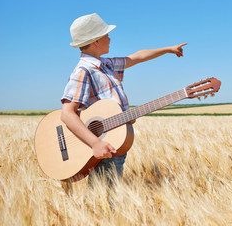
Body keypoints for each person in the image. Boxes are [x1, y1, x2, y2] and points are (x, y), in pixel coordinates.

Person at [60, 13, 187, 185]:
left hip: (116, 141)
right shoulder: (83, 71)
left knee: (109, 195)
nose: (110, 39)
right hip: (102, 145)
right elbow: (67, 114)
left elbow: (137, 56)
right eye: (106, 35)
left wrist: (167, 49)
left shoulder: (107, 65)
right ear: (96, 41)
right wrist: (95, 142)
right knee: (103, 198)